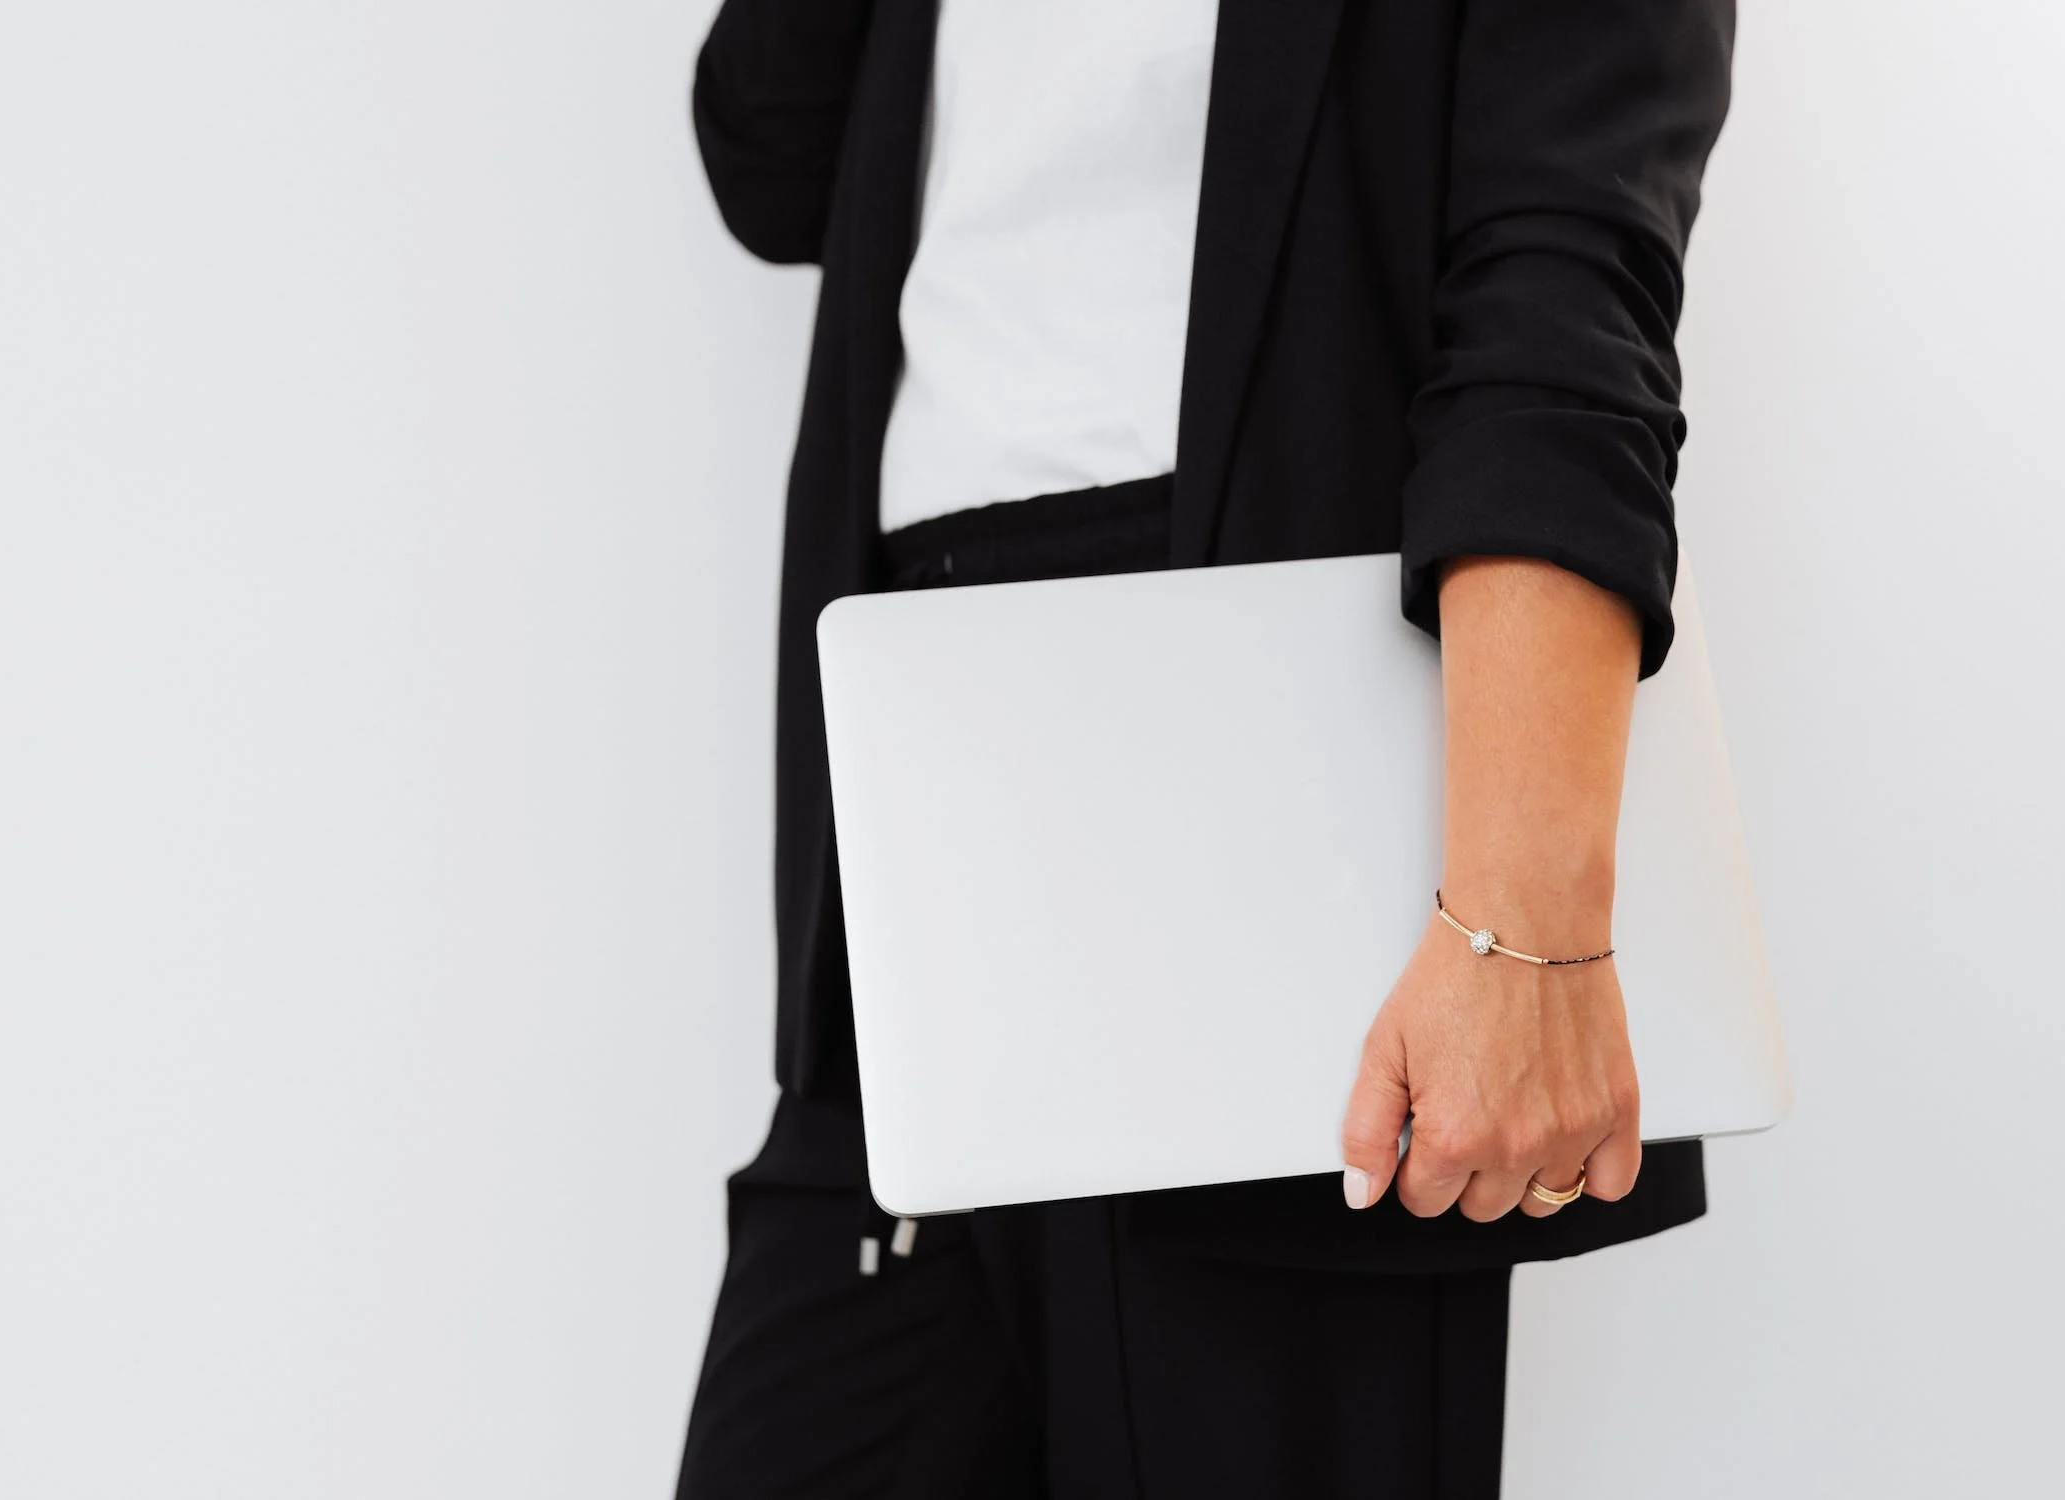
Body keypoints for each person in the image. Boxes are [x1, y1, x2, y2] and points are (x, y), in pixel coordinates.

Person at [674, 1, 1735, 1494]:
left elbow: (1564, 292)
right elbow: (767, 157)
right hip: (918, 788)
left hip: (1268, 784)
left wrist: (1522, 920)